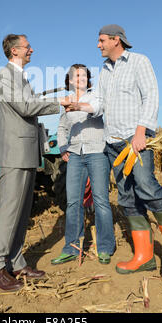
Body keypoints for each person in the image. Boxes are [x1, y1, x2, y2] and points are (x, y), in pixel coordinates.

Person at [65, 25, 162, 279]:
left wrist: (141, 131)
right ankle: (144, 256)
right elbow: (99, 102)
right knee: (127, 197)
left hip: (136, 138)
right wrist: (78, 104)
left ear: (115, 40)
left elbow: (151, 95)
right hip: (114, 143)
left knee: (147, 187)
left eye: (101, 40)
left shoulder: (139, 61)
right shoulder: (105, 71)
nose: (98, 45)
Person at [0, 34, 70, 292]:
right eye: (27, 47)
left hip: (24, 152)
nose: (32, 50)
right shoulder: (4, 76)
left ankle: (15, 262)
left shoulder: (19, 77)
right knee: (9, 211)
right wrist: (59, 102)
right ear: (15, 51)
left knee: (22, 213)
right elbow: (25, 107)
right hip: (14, 153)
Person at [51, 64, 115, 265]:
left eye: (83, 75)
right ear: (69, 80)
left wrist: (78, 106)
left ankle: (104, 247)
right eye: (75, 76)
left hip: (97, 152)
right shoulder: (66, 101)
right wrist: (63, 149)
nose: (79, 78)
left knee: (101, 200)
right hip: (75, 155)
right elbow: (62, 127)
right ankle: (71, 247)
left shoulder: (95, 95)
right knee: (73, 202)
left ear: (88, 79)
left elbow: (96, 110)